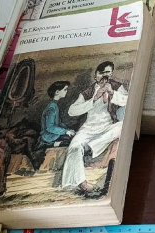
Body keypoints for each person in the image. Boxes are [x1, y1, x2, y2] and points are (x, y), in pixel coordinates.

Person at [62, 61, 128, 196]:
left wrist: (112, 93)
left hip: (108, 126)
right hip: (89, 128)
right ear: (95, 75)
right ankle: (81, 182)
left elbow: (128, 100)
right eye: (101, 73)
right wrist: (93, 99)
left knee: (123, 126)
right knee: (74, 146)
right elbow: (72, 111)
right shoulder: (88, 92)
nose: (104, 76)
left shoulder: (117, 86)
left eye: (107, 72)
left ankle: (91, 147)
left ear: (111, 74)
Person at [40, 81, 75, 147]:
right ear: (57, 92)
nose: (66, 91)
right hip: (49, 137)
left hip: (54, 134)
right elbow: (50, 127)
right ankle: (50, 144)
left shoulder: (54, 105)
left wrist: (68, 130)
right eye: (65, 89)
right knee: (71, 141)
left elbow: (58, 123)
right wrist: (66, 132)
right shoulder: (51, 108)